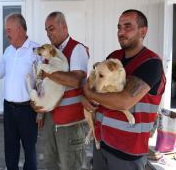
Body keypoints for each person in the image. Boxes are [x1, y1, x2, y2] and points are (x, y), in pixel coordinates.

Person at [83, 9, 166, 170]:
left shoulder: (150, 62)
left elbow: (124, 101)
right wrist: (85, 98)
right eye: (119, 27)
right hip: (102, 142)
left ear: (143, 31)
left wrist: (89, 93)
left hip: (128, 153)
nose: (121, 32)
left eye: (127, 26)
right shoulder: (114, 57)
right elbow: (92, 82)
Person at [35, 11, 90, 170]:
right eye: (46, 30)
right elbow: (42, 84)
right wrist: (39, 111)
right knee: (50, 163)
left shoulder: (77, 49)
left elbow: (75, 80)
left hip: (71, 122)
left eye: (51, 28)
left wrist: (48, 73)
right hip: (50, 118)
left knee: (70, 165)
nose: (48, 33)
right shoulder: (50, 53)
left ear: (64, 27)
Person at [0, 13, 41, 170]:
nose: (6, 33)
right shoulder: (8, 51)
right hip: (9, 108)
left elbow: (42, 82)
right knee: (10, 149)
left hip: (28, 109)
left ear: (20, 29)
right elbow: (1, 71)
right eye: (6, 30)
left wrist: (41, 111)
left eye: (9, 30)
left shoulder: (36, 50)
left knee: (29, 149)